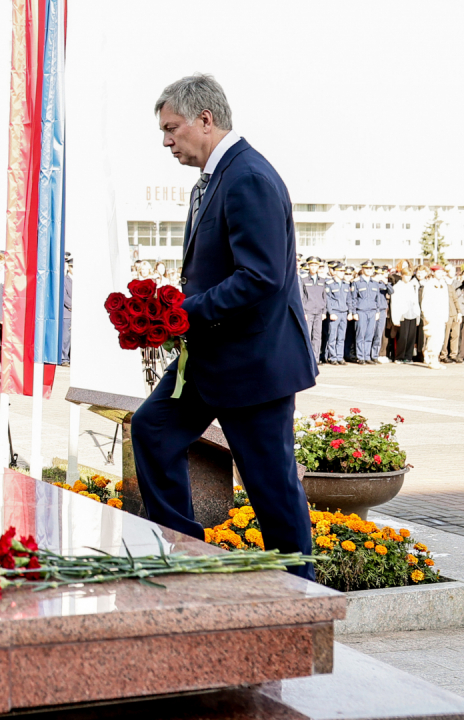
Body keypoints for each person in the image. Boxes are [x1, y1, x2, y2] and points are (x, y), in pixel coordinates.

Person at [132, 74, 316, 581]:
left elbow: (261, 276)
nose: (166, 140)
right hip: (210, 359)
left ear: (205, 120)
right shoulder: (212, 179)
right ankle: (183, 554)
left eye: (172, 128)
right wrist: (167, 307)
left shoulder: (248, 176)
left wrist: (184, 311)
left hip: (254, 366)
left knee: (271, 490)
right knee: (153, 429)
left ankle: (304, 602)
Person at [419, 266, 449, 370]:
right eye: (438, 272)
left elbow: (446, 301)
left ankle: (436, 359)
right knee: (433, 338)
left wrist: (446, 315)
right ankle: (432, 359)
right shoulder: (429, 284)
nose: (441, 274)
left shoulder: (443, 284)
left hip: (441, 315)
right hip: (432, 315)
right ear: (433, 273)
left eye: (442, 272)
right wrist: (426, 315)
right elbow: (425, 301)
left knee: (440, 338)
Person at [324, 262, 354, 366]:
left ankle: (339, 357)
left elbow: (349, 299)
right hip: (335, 312)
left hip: (344, 313)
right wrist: (331, 312)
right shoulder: (330, 284)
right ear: (335, 272)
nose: (342, 273)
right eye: (340, 271)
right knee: (332, 335)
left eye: (343, 271)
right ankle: (332, 357)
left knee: (341, 336)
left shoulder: (346, 284)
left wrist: (350, 312)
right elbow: (327, 300)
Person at [390, 264, 421, 364]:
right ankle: (399, 356)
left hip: (412, 313)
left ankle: (408, 356)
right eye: (406, 275)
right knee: (402, 336)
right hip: (402, 314)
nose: (408, 277)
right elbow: (394, 303)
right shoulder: (397, 287)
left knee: (411, 336)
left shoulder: (413, 286)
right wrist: (395, 318)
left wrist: (418, 316)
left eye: (410, 275)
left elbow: (416, 301)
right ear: (402, 275)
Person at [352, 261, 381, 365]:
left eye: (370, 269)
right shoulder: (357, 282)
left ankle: (367, 356)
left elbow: (377, 299)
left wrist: (377, 311)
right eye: (367, 268)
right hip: (361, 311)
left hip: (372, 311)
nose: (369, 270)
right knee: (361, 335)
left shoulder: (375, 283)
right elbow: (353, 298)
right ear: (363, 269)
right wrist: (354, 312)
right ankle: (360, 356)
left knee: (369, 335)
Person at [300, 257, 327, 364]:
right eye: (311, 265)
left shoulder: (322, 280)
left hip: (319, 312)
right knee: (307, 335)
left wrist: (324, 311)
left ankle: (315, 358)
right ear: (308, 266)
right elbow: (302, 297)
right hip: (308, 311)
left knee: (317, 336)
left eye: (316, 265)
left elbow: (324, 297)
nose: (313, 267)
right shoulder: (304, 280)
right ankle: (307, 357)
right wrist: (304, 312)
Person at [440, 264, 462, 364]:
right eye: (451, 271)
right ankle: (443, 355)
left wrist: (459, 312)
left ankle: (453, 354)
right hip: (446, 313)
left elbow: (455, 300)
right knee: (446, 335)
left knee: (455, 335)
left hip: (454, 313)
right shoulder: (441, 285)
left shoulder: (451, 286)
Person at [372, 265, 394, 363]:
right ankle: (367, 355)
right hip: (372, 309)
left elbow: (392, 291)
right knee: (370, 334)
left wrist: (386, 283)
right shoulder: (371, 283)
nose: (380, 276)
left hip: (381, 309)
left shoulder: (383, 283)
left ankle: (375, 355)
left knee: (379, 333)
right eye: (379, 274)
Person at [61, 258, 73, 365]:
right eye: (72, 266)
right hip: (68, 312)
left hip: (76, 311)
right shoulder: (65, 280)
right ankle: (64, 358)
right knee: (66, 337)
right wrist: (73, 305)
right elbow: (64, 297)